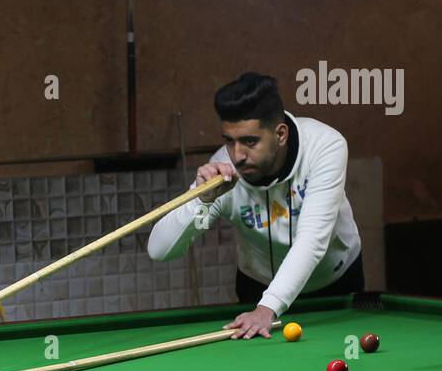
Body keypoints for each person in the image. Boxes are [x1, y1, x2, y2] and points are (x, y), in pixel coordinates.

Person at [149, 72, 364, 338]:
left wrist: (269, 307)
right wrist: (202, 202)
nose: (237, 155)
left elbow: (312, 240)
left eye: (250, 141)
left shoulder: (325, 146)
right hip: (257, 288)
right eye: (229, 140)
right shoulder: (223, 172)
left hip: (334, 284)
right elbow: (159, 250)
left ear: (281, 134)